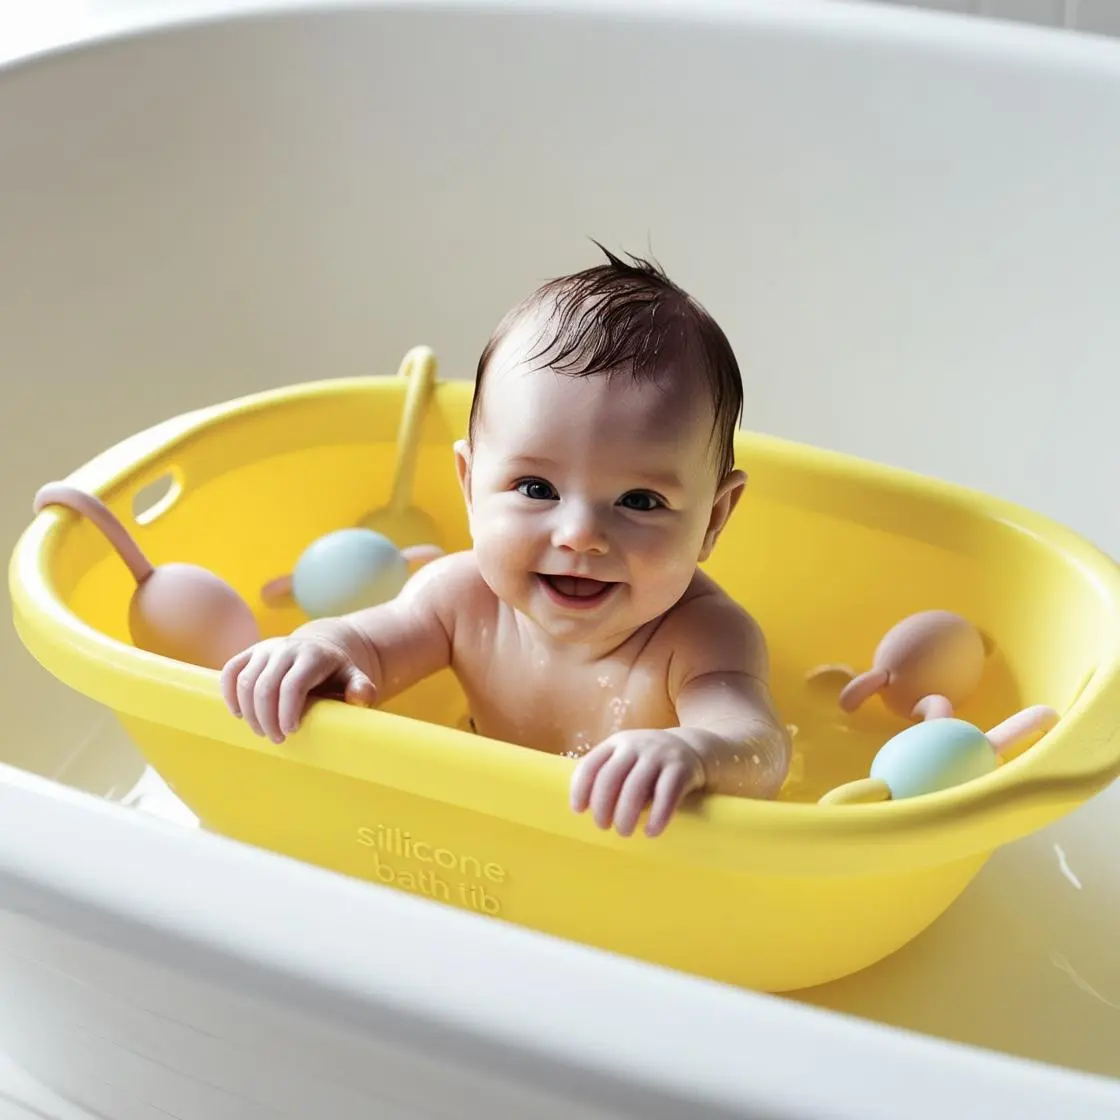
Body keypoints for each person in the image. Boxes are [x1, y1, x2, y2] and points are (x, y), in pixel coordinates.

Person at [221, 245, 791, 837]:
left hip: (625, 846)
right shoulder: (460, 597)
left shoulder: (703, 638)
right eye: (537, 487)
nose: (579, 537)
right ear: (470, 487)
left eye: (640, 501)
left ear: (714, 518)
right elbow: (366, 644)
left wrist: (694, 753)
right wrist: (318, 647)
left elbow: (757, 748)